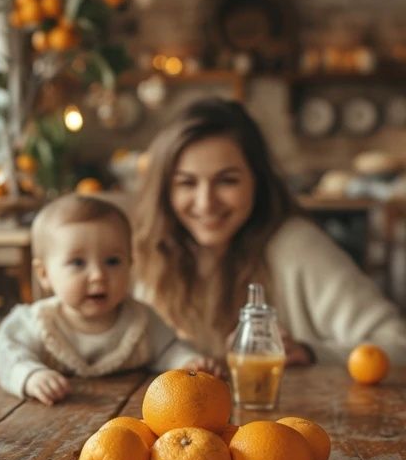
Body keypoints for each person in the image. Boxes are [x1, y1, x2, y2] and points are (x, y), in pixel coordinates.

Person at [133, 97, 406, 371]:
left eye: (227, 180)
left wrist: (310, 353)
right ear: (165, 192)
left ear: (257, 180)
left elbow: (397, 343)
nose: (205, 203)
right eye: (187, 183)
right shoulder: (153, 251)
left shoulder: (296, 245)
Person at [0, 193, 202, 405]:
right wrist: (31, 376)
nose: (98, 275)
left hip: (131, 410)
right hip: (58, 415)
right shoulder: (36, 322)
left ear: (130, 264)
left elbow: (168, 348)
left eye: (112, 261)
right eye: (77, 263)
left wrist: (187, 362)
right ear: (44, 274)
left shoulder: (141, 320)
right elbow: (9, 355)